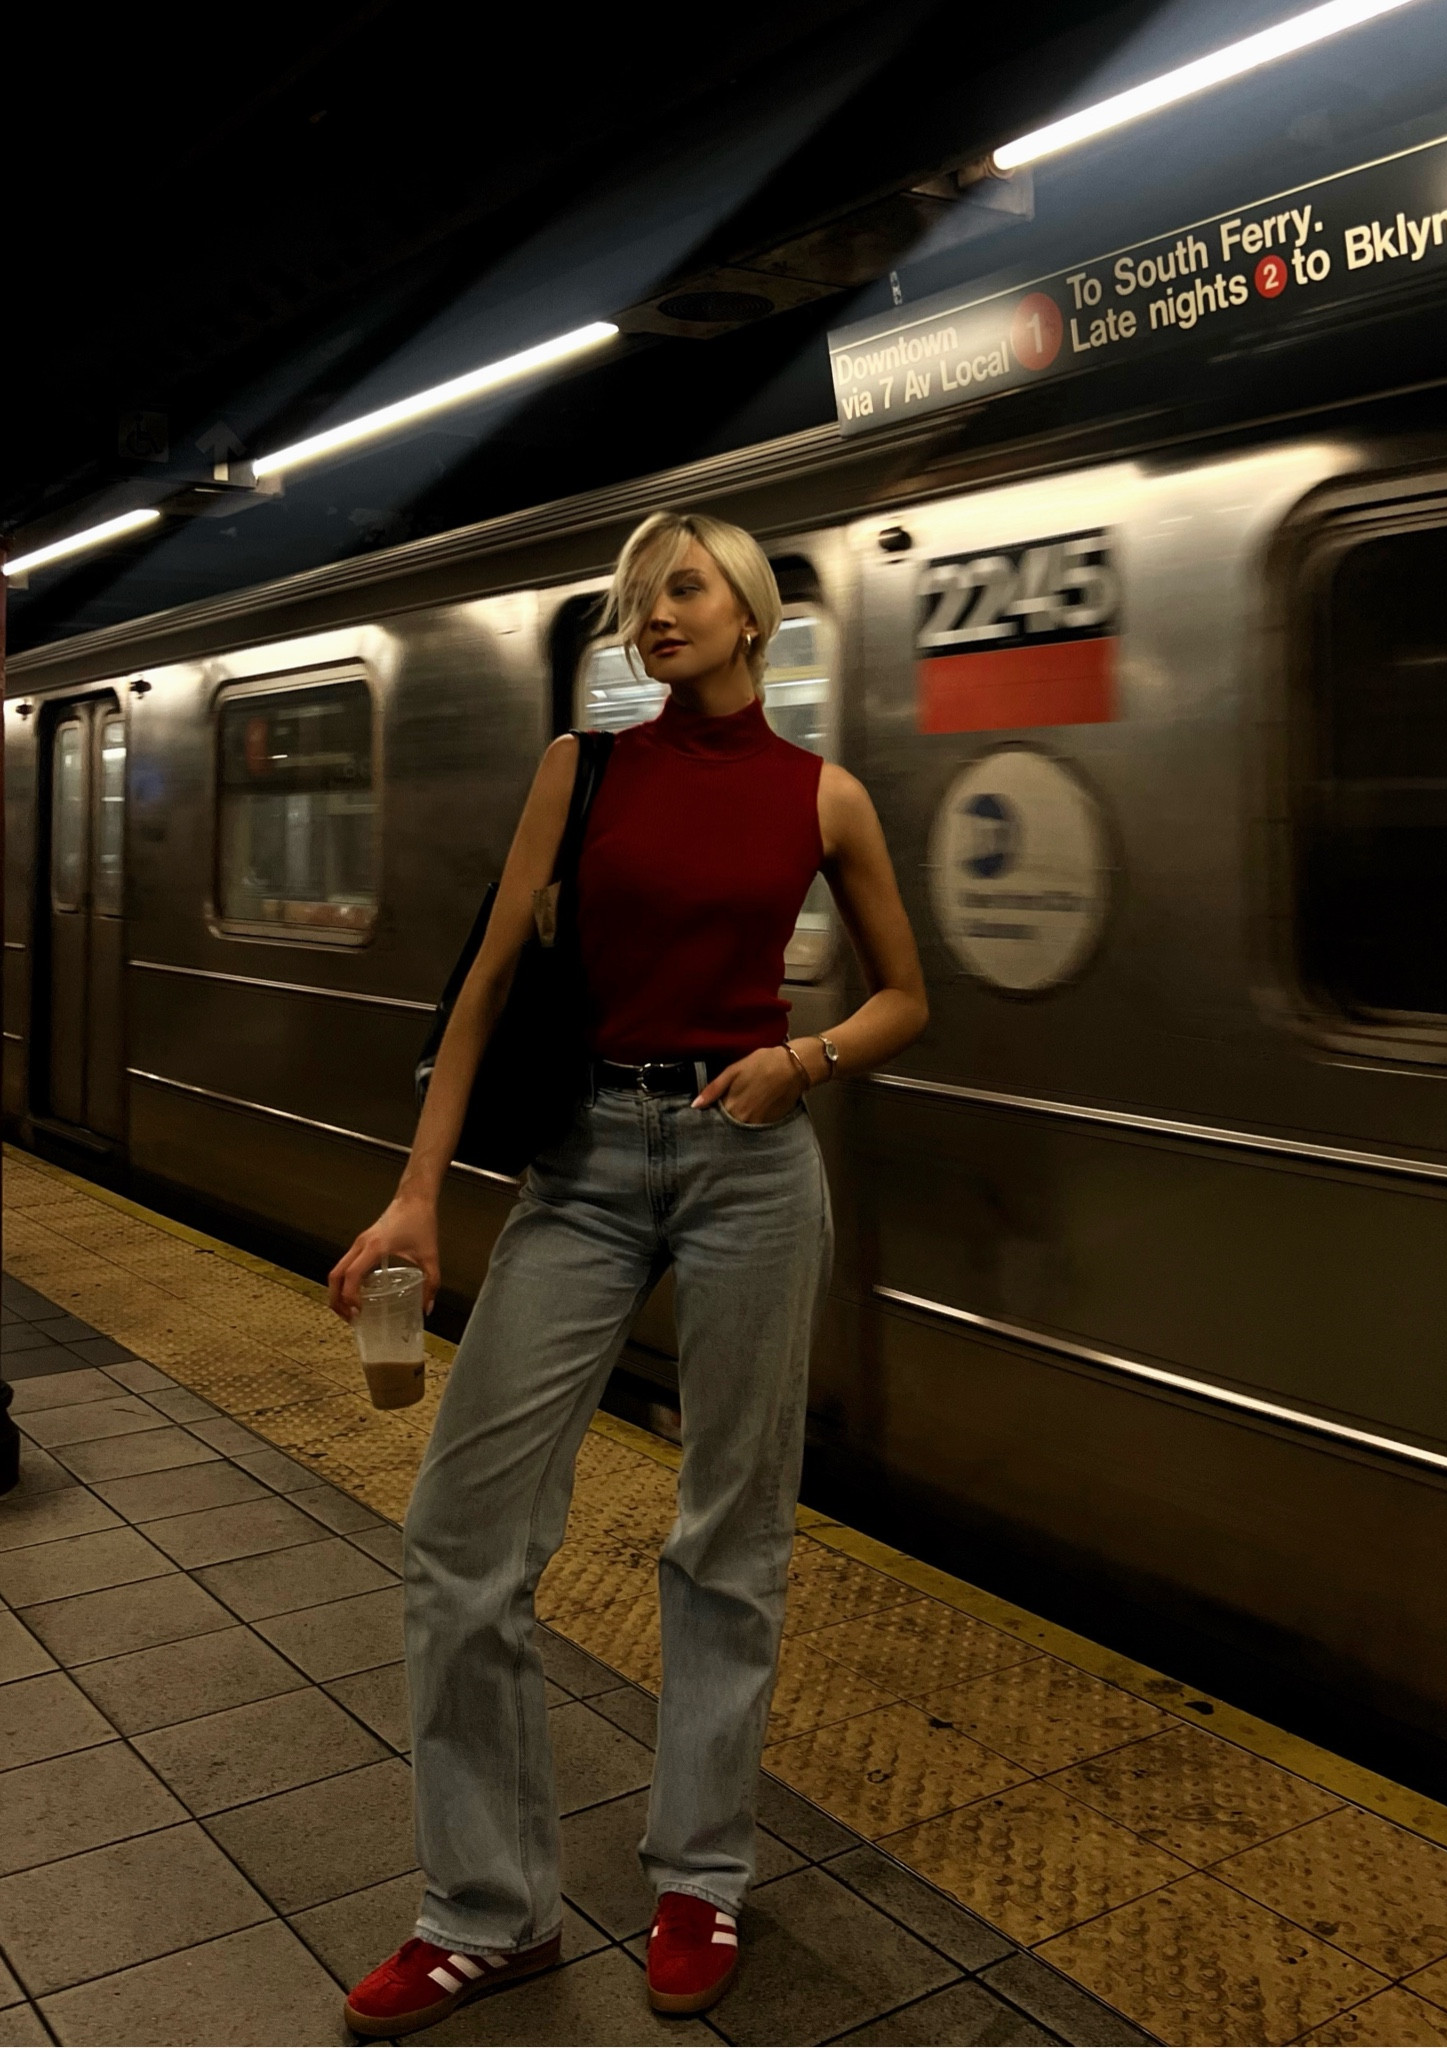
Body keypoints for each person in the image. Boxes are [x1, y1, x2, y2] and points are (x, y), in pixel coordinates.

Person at [329, 510, 928, 2037]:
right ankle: (487, 1915)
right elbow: (488, 983)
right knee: (462, 1536)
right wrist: (416, 1196)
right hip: (584, 1165)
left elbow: (910, 997)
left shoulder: (826, 798)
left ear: (751, 613)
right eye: (639, 593)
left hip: (752, 1168)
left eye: (685, 585)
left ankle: (700, 1874)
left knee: (730, 1532)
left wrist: (807, 1058)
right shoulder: (581, 768)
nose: (654, 611)